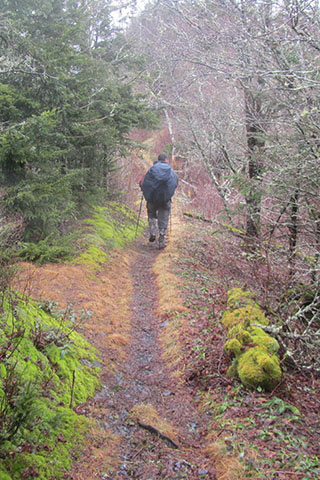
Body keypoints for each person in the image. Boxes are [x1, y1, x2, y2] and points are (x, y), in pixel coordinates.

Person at [140, 153, 178, 249]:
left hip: (152, 198)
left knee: (151, 214)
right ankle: (161, 238)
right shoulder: (171, 171)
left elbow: (142, 182)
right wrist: (169, 194)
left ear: (158, 160)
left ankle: (152, 232)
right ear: (166, 160)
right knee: (164, 217)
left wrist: (146, 192)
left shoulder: (152, 170)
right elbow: (175, 183)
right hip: (165, 199)